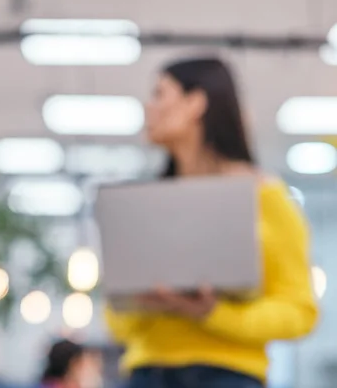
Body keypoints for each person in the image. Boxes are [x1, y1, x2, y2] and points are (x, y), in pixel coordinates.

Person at [105, 57, 319, 388]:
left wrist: (212, 313)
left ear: (195, 103)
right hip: (146, 373)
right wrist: (140, 302)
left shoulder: (266, 198)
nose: (149, 108)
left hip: (228, 376)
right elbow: (116, 324)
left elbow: (300, 313)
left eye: (160, 94)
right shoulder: (145, 206)